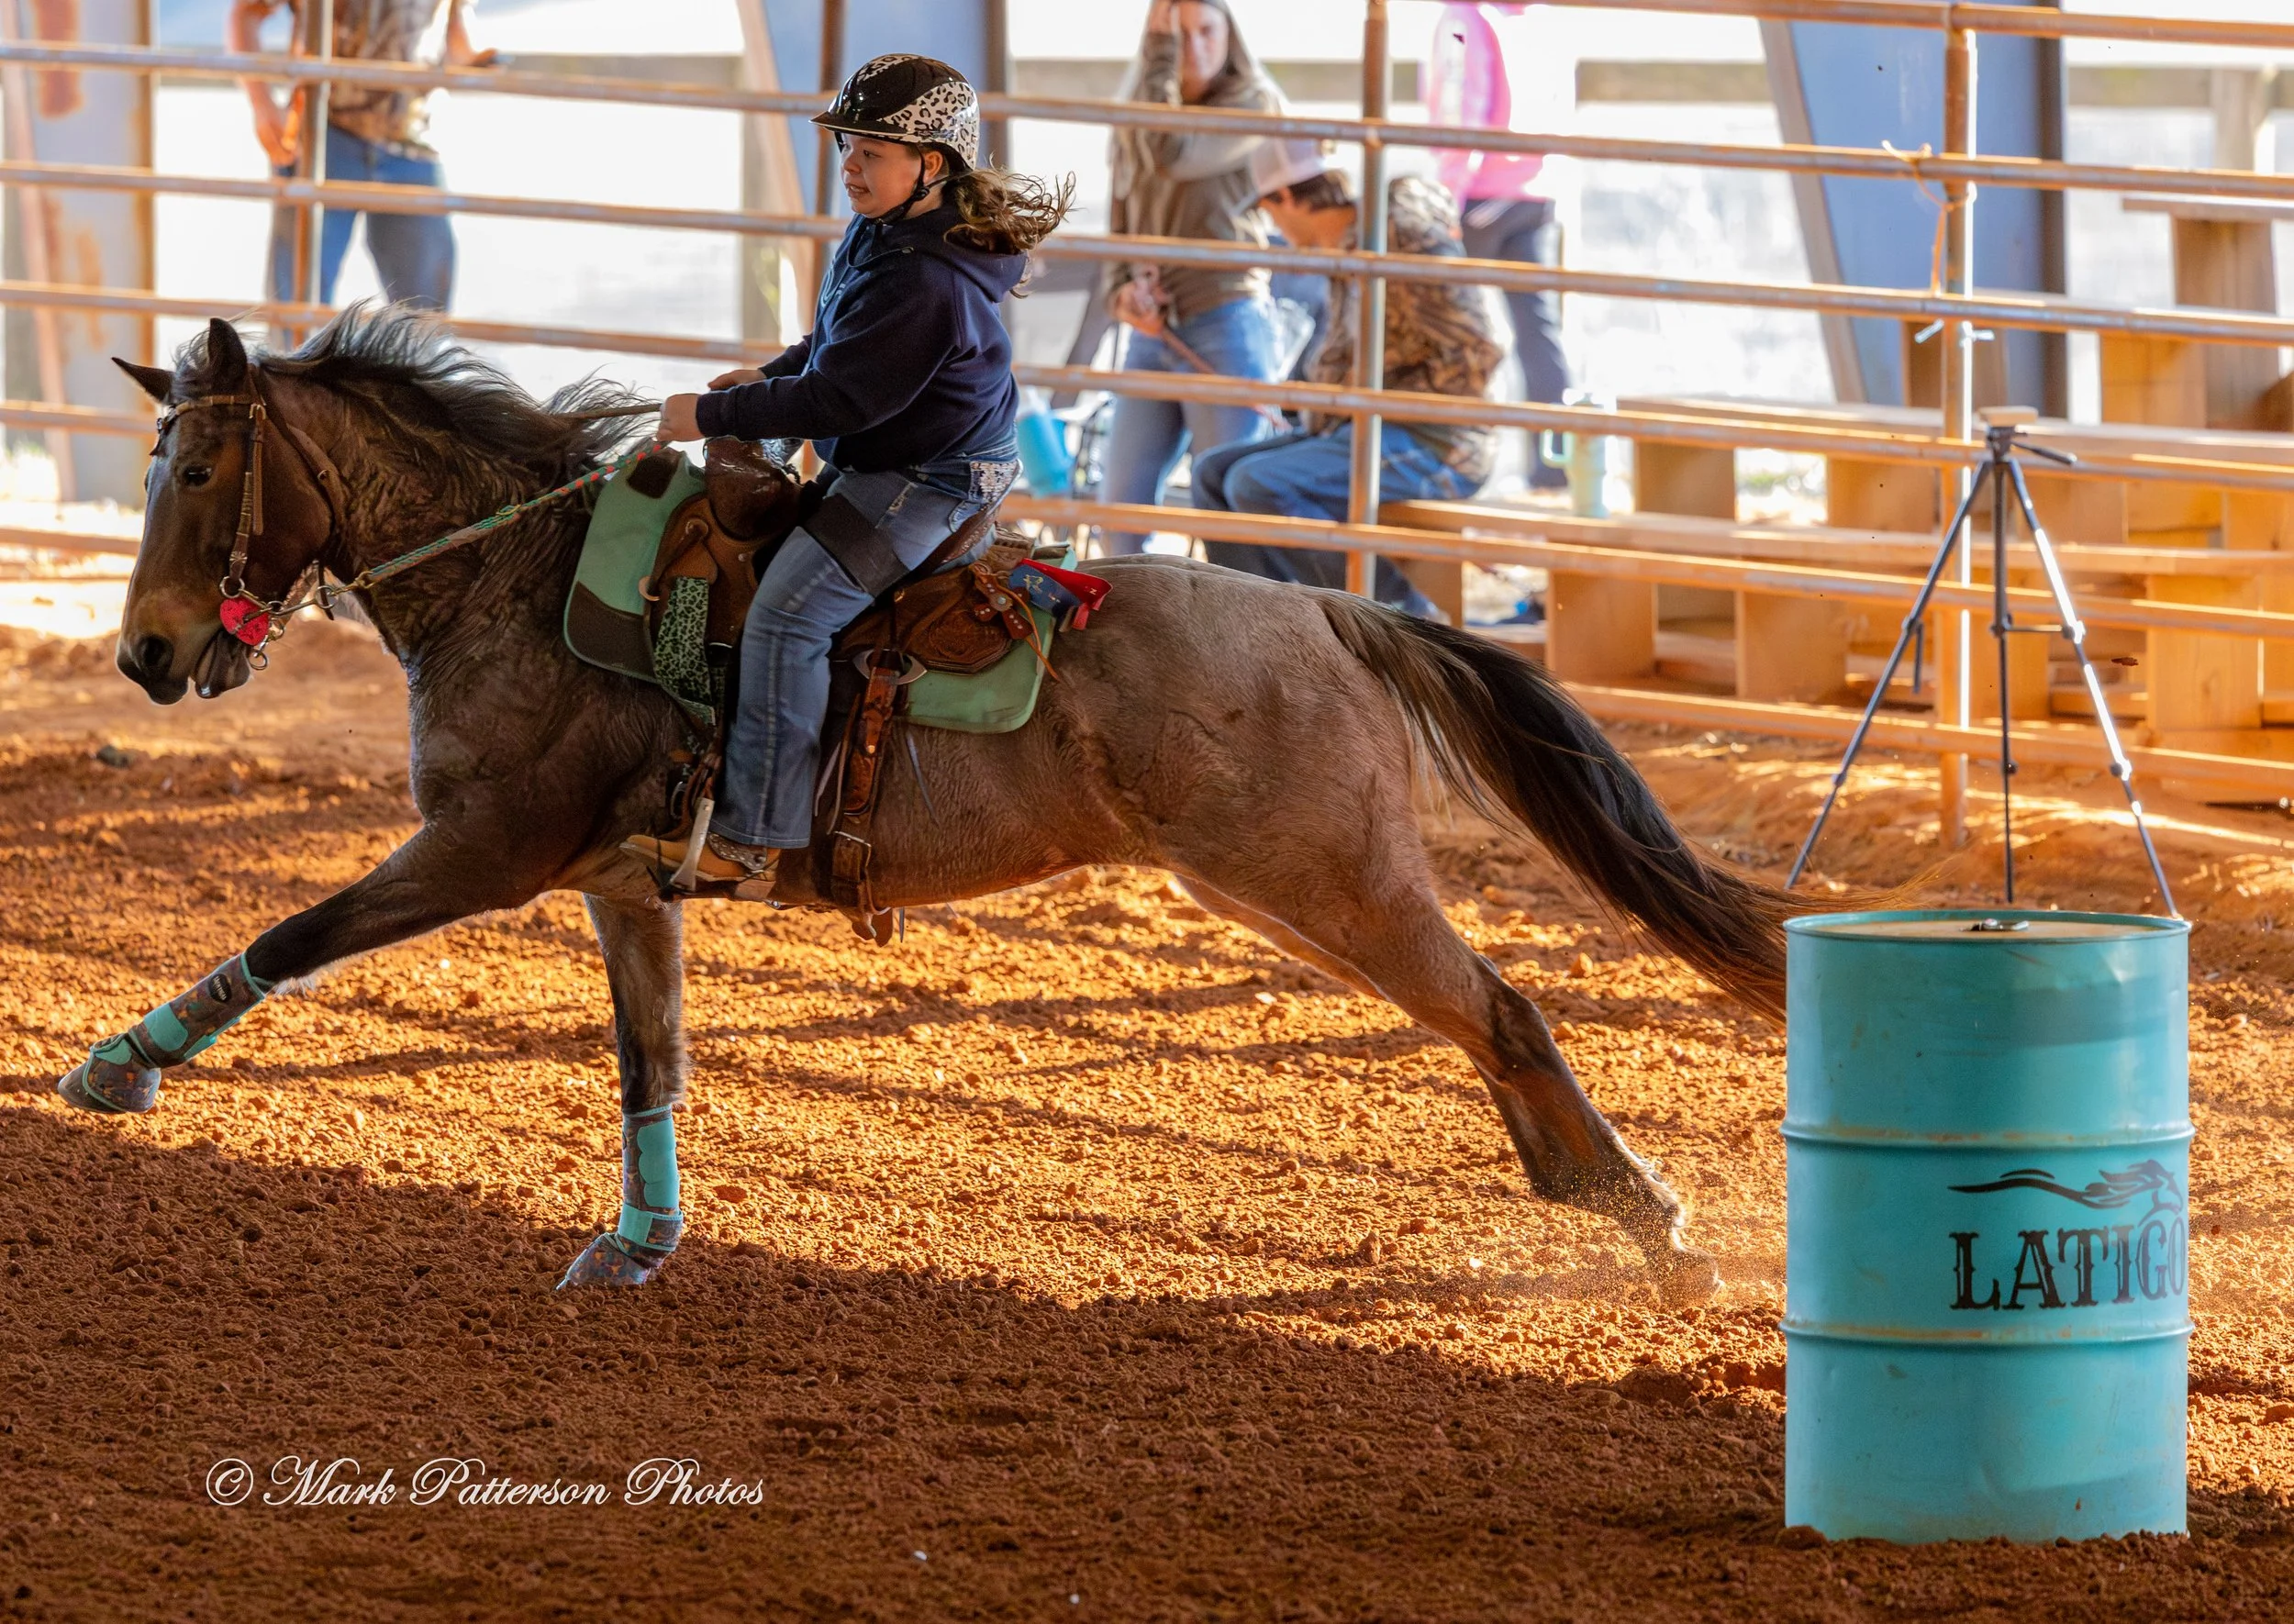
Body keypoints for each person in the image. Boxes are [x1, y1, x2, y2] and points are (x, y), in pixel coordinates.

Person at [623, 56, 1070, 893]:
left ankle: (753, 843)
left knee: (790, 617)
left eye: (872, 150)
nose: (850, 167)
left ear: (931, 165)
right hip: (902, 456)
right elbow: (835, 344)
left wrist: (711, 417)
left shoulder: (927, 279)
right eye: (847, 147)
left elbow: (844, 398)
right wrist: (769, 375)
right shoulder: (893, 233)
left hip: (928, 477)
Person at [1195, 142, 1509, 616]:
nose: (1273, 227)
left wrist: (1394, 397)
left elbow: (1481, 344)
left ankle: (1403, 621)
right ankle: (1253, 623)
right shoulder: (1351, 246)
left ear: (1288, 197)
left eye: (1268, 211)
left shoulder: (1394, 237)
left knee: (1257, 484)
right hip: (1376, 428)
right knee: (1213, 474)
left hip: (1439, 442)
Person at [1096, 0, 1285, 555]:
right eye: (1176, 35)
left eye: (1206, 31)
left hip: (1226, 323)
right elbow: (1120, 225)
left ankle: (1240, 641)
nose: (1193, 46)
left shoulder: (1251, 104)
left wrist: (1157, 53)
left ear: (1230, 37)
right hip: (1152, 333)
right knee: (1118, 516)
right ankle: (1124, 640)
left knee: (1227, 515)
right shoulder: (1135, 116)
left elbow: (1170, 150)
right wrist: (1121, 297)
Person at [231, 0, 493, 308]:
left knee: (424, 310)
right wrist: (263, 106)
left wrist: (476, 57)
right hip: (324, 136)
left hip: (413, 138)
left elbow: (456, 26)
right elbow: (247, 12)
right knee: (298, 303)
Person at [1429, 2, 1572, 487]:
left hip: (1479, 193)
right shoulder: (1544, 19)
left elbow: (1461, 104)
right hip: (1534, 190)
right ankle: (1554, 467)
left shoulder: (1466, 19)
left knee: (1435, 323)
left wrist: (1447, 194)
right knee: (1538, 330)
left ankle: (1437, 459)